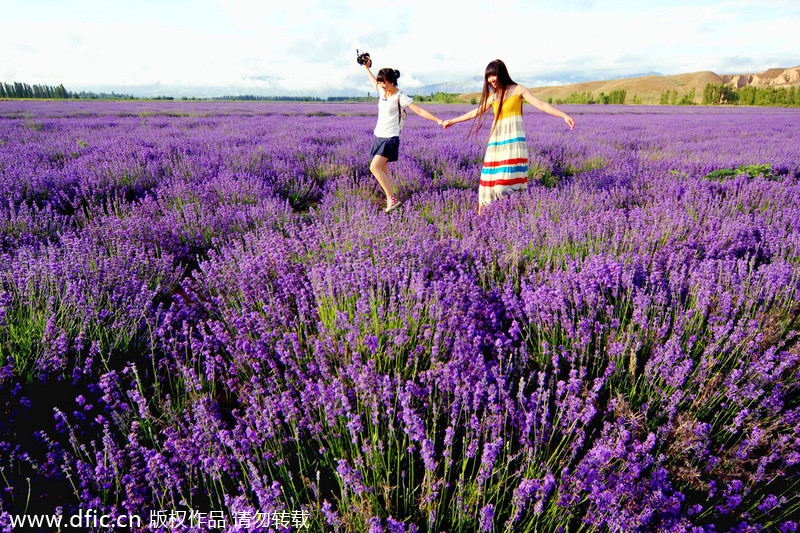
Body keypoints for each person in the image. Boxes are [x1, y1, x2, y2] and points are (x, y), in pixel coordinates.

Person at [442, 59, 575, 212]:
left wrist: (563, 115)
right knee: (490, 186)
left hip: (513, 144)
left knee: (502, 186)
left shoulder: (518, 90)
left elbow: (541, 104)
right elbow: (475, 112)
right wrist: (453, 120)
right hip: (496, 145)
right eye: (488, 76)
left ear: (502, 74)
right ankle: (496, 217)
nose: (491, 79)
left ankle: (512, 213)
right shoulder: (494, 97)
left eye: (494, 75)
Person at [363, 57, 443, 212]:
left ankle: (391, 200)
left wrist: (437, 120)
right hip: (379, 136)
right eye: (380, 82)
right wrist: (366, 67)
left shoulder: (400, 96)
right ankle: (393, 201)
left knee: (374, 167)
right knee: (383, 171)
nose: (380, 84)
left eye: (383, 82)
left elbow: (418, 110)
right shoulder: (382, 91)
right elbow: (373, 82)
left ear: (392, 82)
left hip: (390, 138)